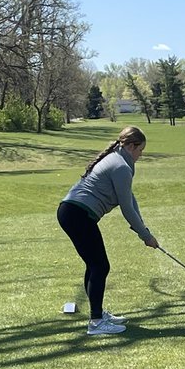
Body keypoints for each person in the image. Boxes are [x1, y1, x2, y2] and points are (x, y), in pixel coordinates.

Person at [57, 126, 158, 336]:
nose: (141, 155)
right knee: (100, 266)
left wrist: (142, 229)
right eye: (140, 150)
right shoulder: (120, 166)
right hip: (78, 214)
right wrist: (145, 235)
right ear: (131, 146)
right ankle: (96, 322)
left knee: (94, 265)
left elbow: (129, 198)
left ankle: (97, 315)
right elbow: (126, 208)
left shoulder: (117, 159)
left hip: (73, 213)